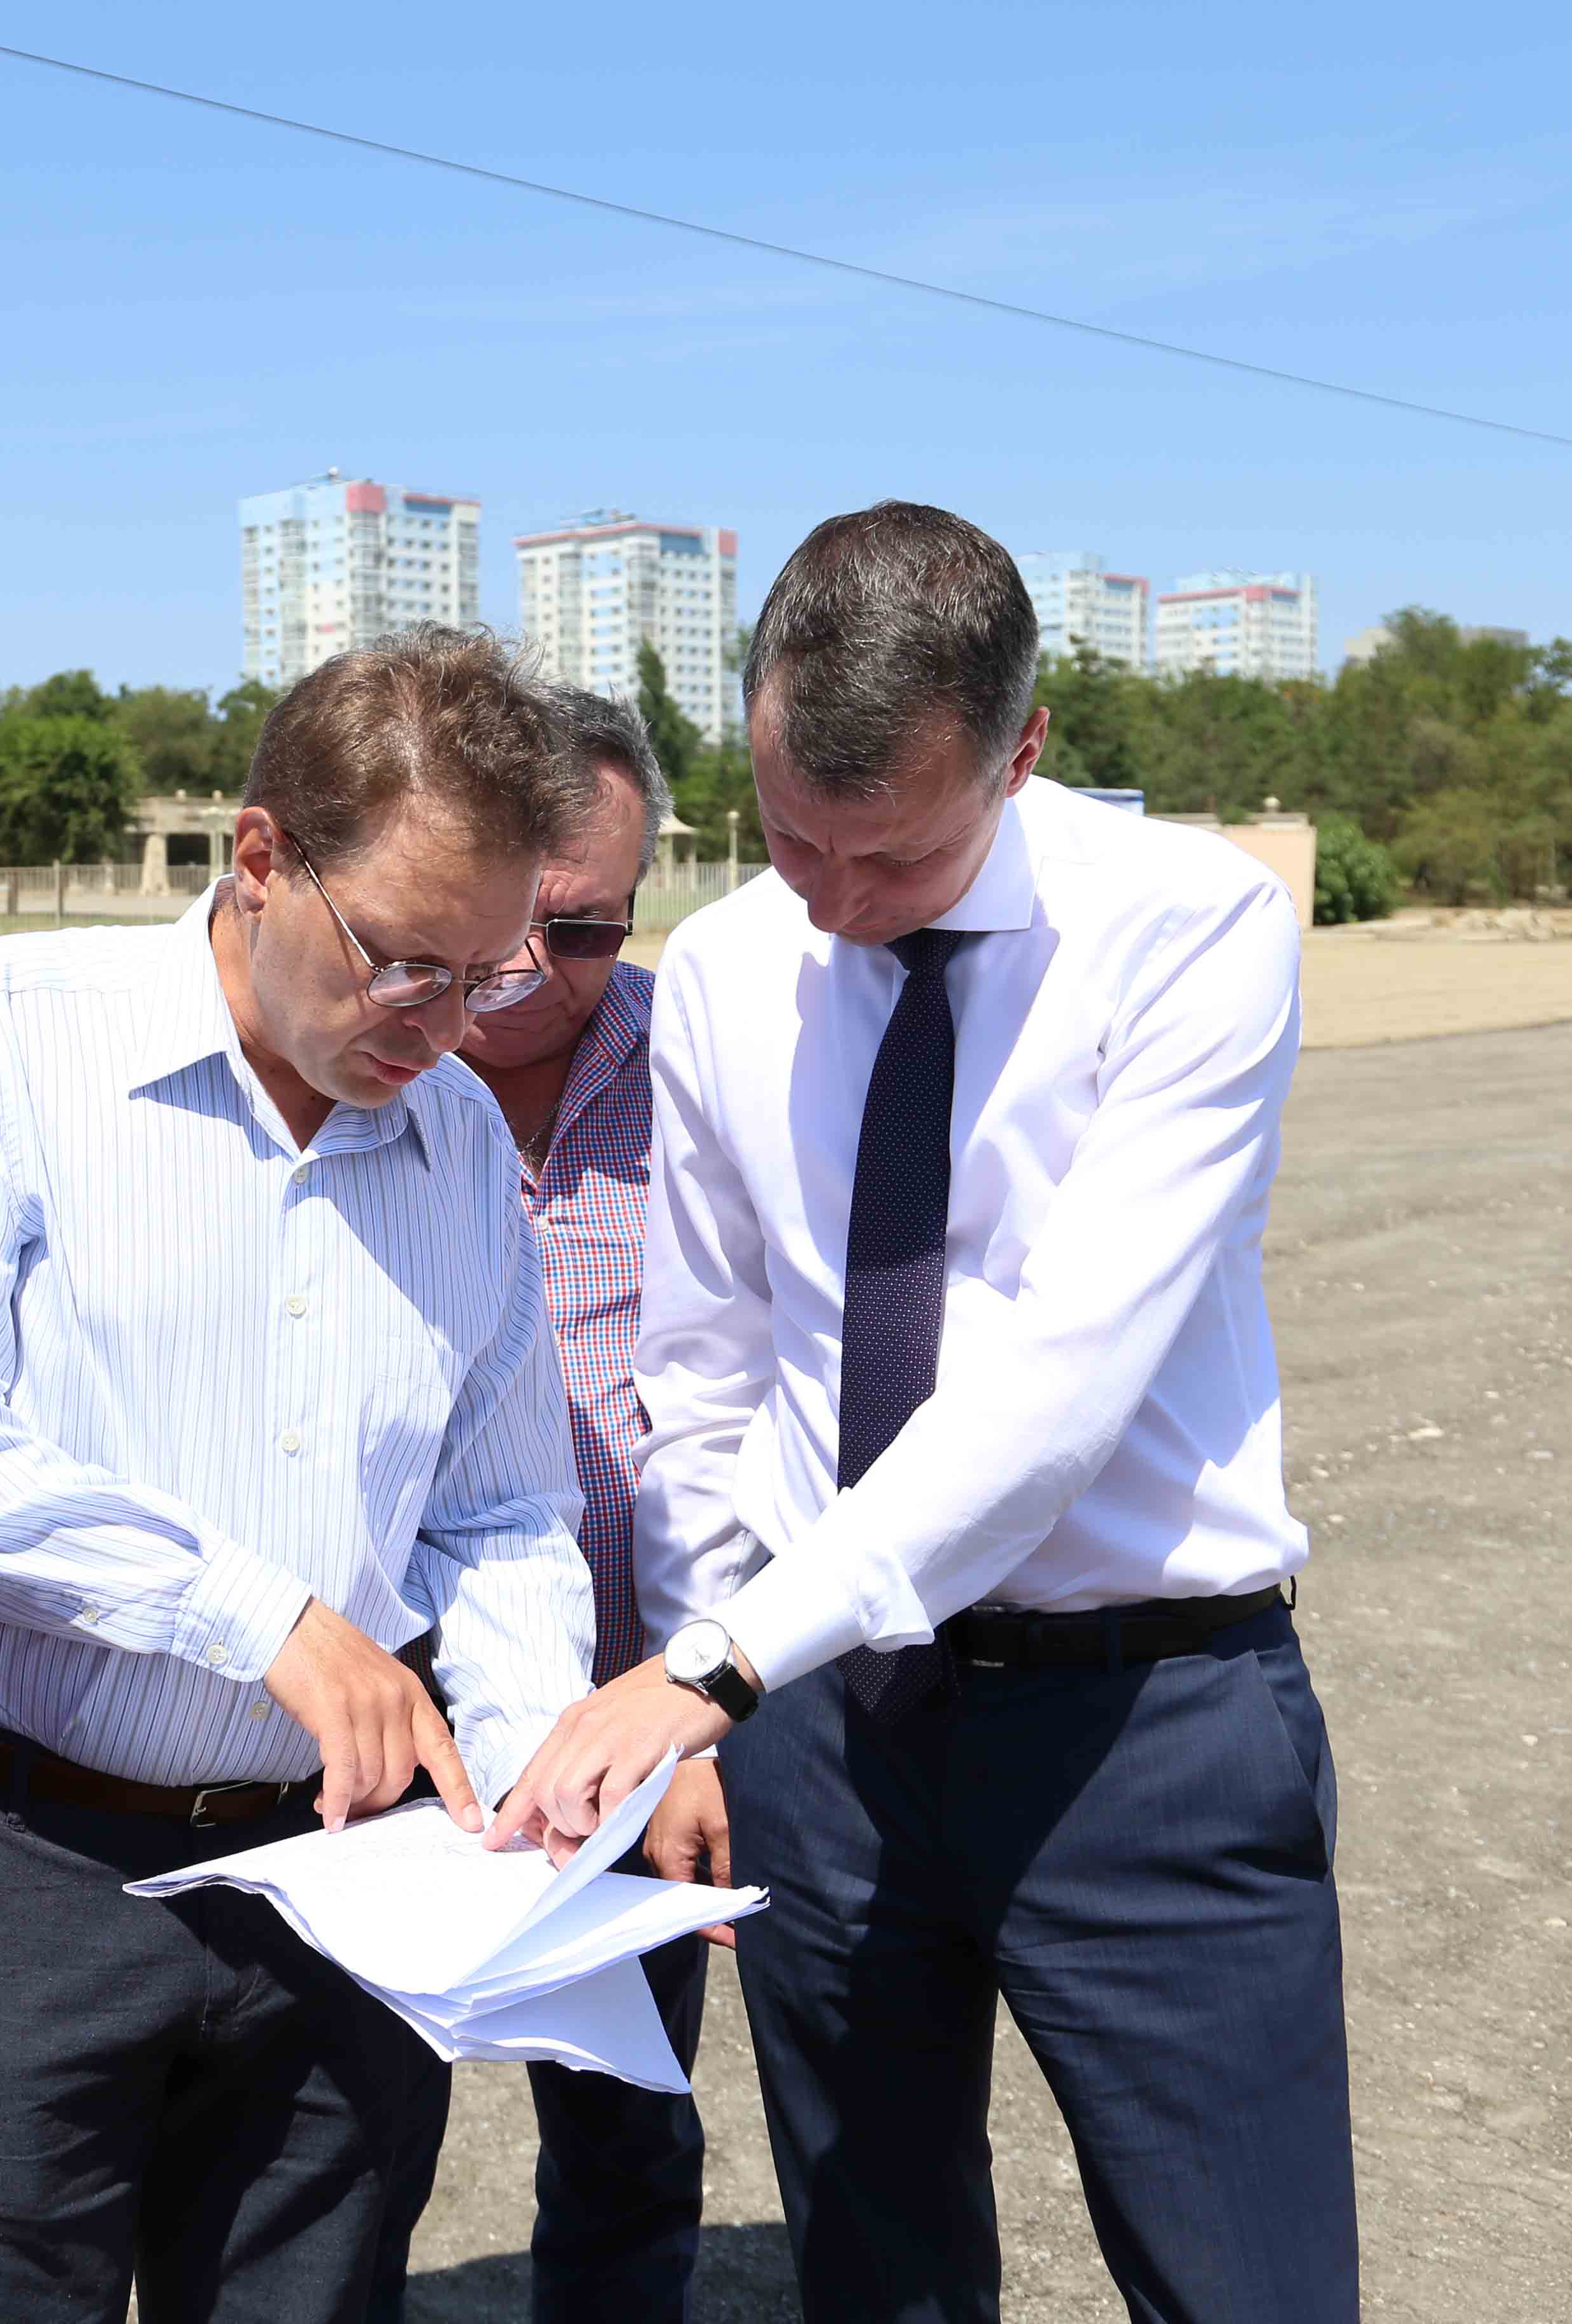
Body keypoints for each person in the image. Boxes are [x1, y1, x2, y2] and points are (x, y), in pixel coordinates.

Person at [497, 502, 1352, 2321]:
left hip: (1139, 1727)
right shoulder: (732, 966)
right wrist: (721, 1710)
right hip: (826, 1739)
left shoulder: (1190, 930)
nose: (830, 898)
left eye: (888, 856)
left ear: (1023, 753)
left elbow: (1057, 1389)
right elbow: (705, 1367)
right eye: (790, 834)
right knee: (874, 2276)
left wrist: (709, 1664)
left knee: (1248, 2283)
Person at [0, 628, 602, 2324]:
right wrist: (259, 1616)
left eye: (484, 976)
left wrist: (534, 1759)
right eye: (404, 962)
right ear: (260, 858)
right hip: (24, 1865)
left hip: (349, 1883)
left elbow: (501, 1506)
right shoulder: (8, 1038)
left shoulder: (459, 1135)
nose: (442, 1027)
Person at [372, 691, 705, 2324]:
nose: (529, 970)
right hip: (376, 1718)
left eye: (586, 932)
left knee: (628, 2128)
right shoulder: (353, 1064)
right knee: (343, 2138)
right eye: (509, 923)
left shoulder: (706, 1069)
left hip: (638, 1723)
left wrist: (704, 1694)